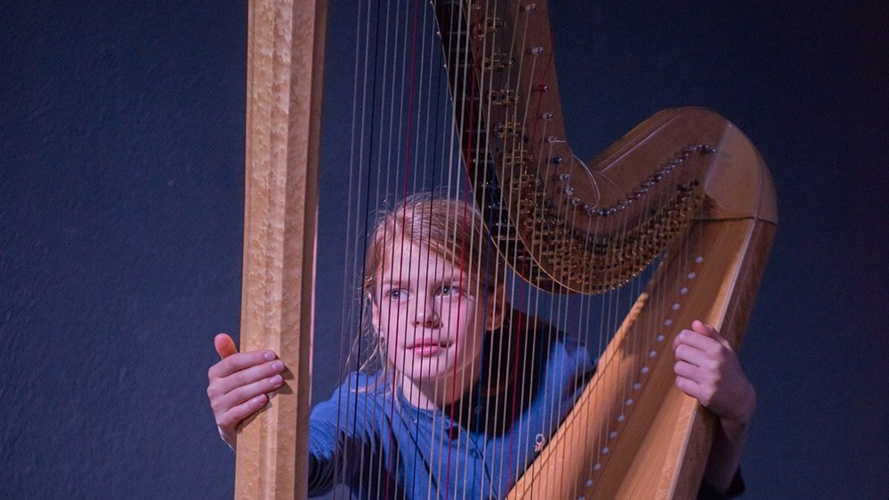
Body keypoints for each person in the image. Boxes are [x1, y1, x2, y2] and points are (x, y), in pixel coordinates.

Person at [207, 194, 756, 499]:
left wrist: (732, 420)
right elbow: (303, 466)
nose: (422, 315)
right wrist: (251, 431)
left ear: (495, 307)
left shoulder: (560, 372)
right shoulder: (363, 412)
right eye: (397, 294)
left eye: (448, 289)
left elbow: (674, 488)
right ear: (375, 315)